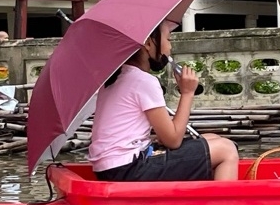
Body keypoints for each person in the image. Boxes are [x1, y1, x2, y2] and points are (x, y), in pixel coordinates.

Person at [89, 20, 240, 181]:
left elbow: (165, 135)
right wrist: (187, 93)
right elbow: (173, 140)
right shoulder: (143, 81)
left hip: (113, 168)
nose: (170, 47)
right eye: (168, 40)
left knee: (212, 138)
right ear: (148, 43)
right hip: (128, 169)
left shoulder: (117, 78)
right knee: (226, 150)